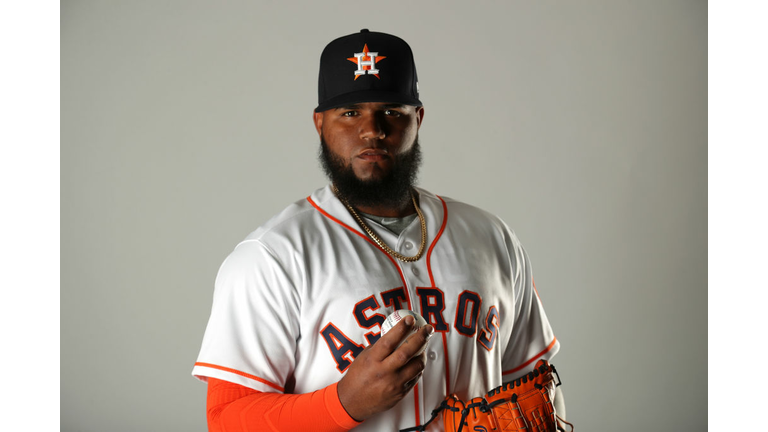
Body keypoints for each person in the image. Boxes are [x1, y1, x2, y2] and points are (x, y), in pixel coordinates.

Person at [192, 29, 565, 432]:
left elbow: (536, 386)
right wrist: (342, 404)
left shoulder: (493, 238)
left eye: (391, 110)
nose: (372, 130)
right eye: (350, 112)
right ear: (320, 124)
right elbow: (227, 419)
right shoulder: (271, 256)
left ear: (417, 119)